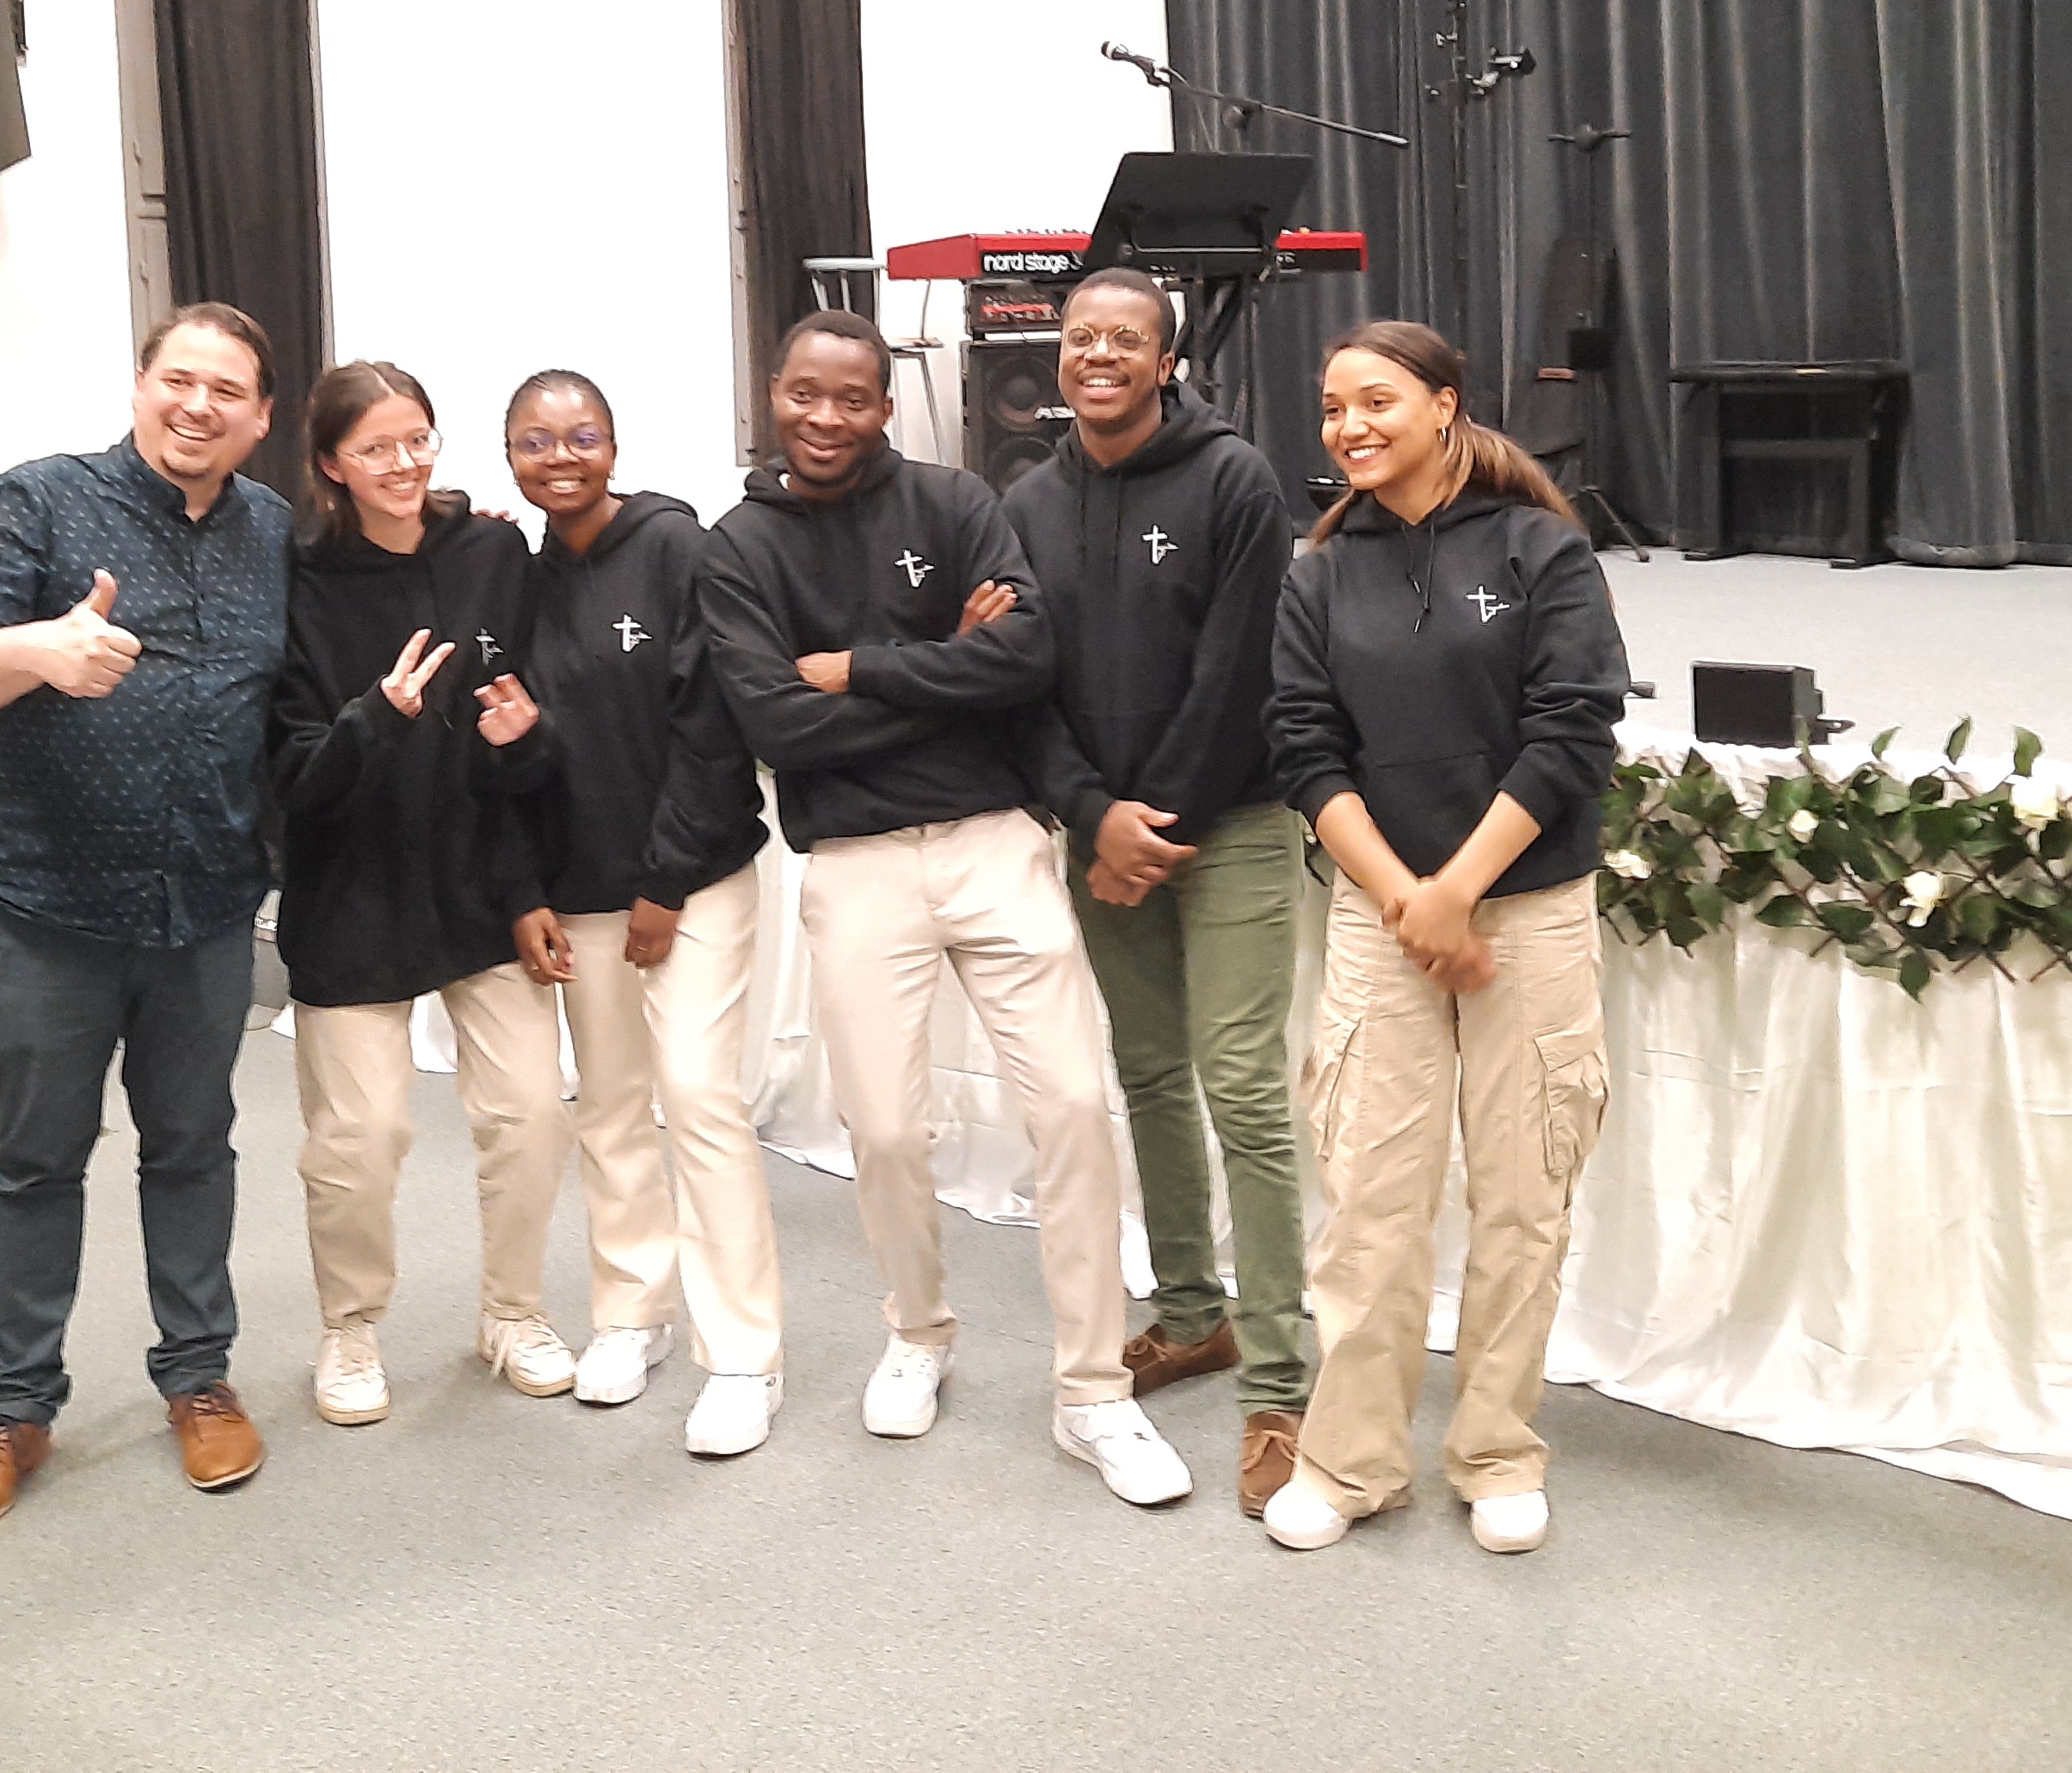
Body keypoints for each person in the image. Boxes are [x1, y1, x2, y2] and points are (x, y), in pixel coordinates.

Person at [698, 307, 1190, 1505]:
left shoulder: (957, 502)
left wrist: (862, 670)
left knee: (1072, 1108)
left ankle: (1092, 1392)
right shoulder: (738, 547)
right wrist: (944, 678)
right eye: (804, 394)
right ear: (774, 394)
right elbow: (776, 724)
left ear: (885, 405)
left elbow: (1026, 660)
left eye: (851, 398)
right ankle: (918, 1334)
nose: (826, 418)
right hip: (856, 860)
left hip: (993, 842)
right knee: (881, 1129)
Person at [0, 303, 294, 1536]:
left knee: (193, 1148)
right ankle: (14, 1410)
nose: (198, 406)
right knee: (35, 1162)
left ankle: (199, 1377)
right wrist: (43, 650)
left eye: (227, 391)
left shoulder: (273, 531)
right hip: (47, 910)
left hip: (204, 910)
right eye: (179, 380)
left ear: (261, 418)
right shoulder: (35, 502)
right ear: (141, 385)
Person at [1257, 319, 1628, 1556]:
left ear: (1444, 405)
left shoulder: (1540, 548)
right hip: (1384, 916)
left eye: (1376, 401)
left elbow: (1572, 730)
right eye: (1332, 408)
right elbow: (1305, 748)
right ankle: (1351, 1460)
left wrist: (1461, 889)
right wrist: (1408, 898)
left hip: (1527, 908)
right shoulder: (1320, 572)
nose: (1349, 426)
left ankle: (1497, 1451)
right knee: (1369, 1202)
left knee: (1523, 1198)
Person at [1001, 267, 1311, 1514]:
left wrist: (1149, 821)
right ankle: (1193, 1316)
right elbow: (1017, 682)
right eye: (1081, 336)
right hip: (1103, 837)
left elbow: (1242, 674)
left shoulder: (1234, 481)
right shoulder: (1025, 502)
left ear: (1167, 361)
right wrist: (1094, 817)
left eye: (1126, 338)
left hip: (1229, 823)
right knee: (1147, 1075)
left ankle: (1282, 1383)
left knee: (1241, 1086)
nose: (1099, 355)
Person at [271, 360, 578, 1428]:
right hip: (349, 897)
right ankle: (350, 1328)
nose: (401, 465)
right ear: (329, 465)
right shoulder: (296, 580)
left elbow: (523, 727)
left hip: (481, 884)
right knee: (358, 1142)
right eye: (374, 449)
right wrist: (375, 717)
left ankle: (513, 1313)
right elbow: (292, 780)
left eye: (418, 440)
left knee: (531, 1114)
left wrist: (523, 753)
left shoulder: (491, 551)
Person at [502, 369, 785, 1457]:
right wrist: (528, 891)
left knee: (700, 1098)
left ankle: (744, 1355)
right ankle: (632, 1313)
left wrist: (663, 884)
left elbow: (712, 727)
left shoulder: (675, 547)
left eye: (580, 437)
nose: (559, 458)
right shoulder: (517, 582)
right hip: (579, 893)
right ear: (510, 457)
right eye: (534, 441)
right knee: (611, 1106)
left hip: (691, 881)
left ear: (613, 447)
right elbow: (511, 748)